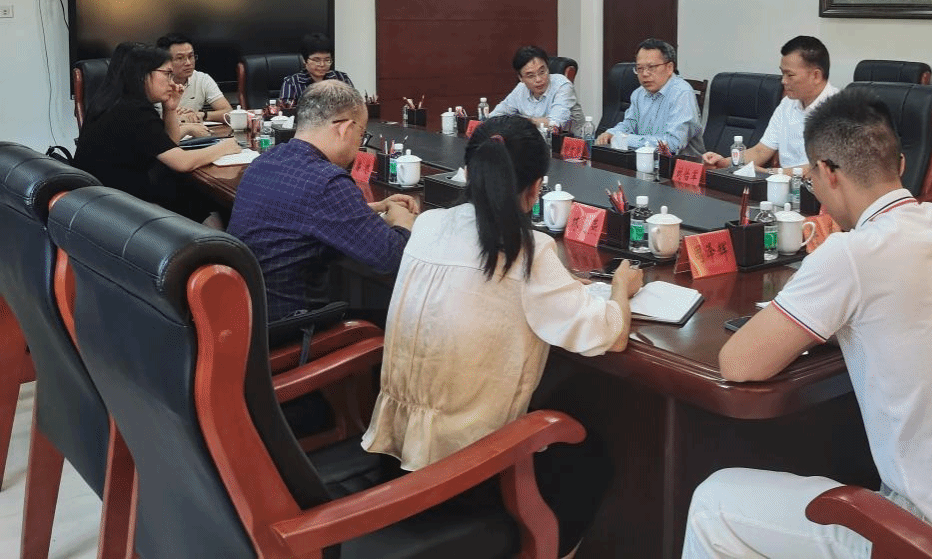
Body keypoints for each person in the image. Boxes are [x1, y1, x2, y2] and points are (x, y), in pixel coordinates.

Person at [683, 90, 932, 559]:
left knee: (713, 503)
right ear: (900, 165)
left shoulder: (851, 254)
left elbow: (739, 364)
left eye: (812, 179)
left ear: (827, 172)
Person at [362, 115, 642, 558]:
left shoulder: (429, 225)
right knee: (590, 459)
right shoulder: (528, 251)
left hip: (394, 458)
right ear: (536, 188)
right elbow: (611, 334)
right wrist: (622, 288)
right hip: (465, 477)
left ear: (468, 172)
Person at [228, 80, 417, 322]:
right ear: (345, 128)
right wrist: (403, 221)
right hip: (294, 326)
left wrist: (373, 208)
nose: (359, 144)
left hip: (249, 316)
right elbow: (391, 258)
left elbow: (299, 213)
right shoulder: (326, 181)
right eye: (361, 134)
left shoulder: (264, 161)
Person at [74, 44, 240, 223]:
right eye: (167, 74)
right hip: (118, 210)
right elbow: (182, 163)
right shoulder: (133, 112)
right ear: (142, 74)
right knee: (208, 203)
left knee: (193, 196)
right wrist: (226, 147)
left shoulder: (113, 101)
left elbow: (169, 144)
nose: (172, 82)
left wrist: (170, 109)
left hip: (100, 201)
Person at [702, 35, 836, 171]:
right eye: (782, 74)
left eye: (790, 75)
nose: (783, 81)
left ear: (816, 76)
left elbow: (823, 168)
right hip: (782, 181)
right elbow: (761, 151)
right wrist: (723, 163)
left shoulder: (840, 110)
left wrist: (770, 173)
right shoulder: (787, 103)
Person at [594, 38, 704, 154]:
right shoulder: (639, 93)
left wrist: (624, 139)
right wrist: (611, 133)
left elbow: (671, 144)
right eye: (639, 68)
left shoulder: (682, 93)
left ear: (669, 68)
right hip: (644, 160)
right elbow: (629, 125)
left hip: (678, 162)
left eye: (651, 67)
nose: (645, 74)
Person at [489, 45, 584, 133]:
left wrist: (523, 121)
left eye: (542, 72)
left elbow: (554, 124)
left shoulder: (563, 85)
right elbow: (494, 116)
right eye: (531, 76)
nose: (538, 79)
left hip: (570, 142)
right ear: (521, 78)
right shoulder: (521, 88)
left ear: (548, 68)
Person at [157, 32, 232, 125]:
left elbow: (229, 112)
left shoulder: (202, 79)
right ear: (165, 61)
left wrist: (201, 115)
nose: (188, 63)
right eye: (180, 58)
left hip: (195, 131)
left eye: (190, 56)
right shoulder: (154, 83)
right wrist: (173, 116)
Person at [279, 32, 354, 104]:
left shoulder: (341, 78)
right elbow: (287, 109)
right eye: (316, 60)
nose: (322, 64)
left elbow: (355, 104)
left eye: (327, 60)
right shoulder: (292, 83)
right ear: (304, 60)